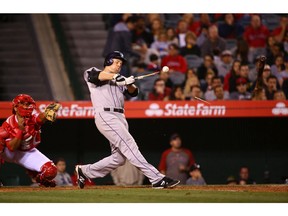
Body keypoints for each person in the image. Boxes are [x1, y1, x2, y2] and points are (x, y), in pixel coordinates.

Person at [76, 51, 180, 189]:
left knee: (118, 158)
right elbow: (95, 76)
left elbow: (133, 92)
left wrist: (129, 83)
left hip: (120, 117)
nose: (119, 65)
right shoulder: (94, 72)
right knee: (130, 145)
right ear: (108, 61)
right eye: (117, 61)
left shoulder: (120, 79)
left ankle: (85, 171)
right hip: (106, 115)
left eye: (121, 63)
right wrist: (117, 78)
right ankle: (156, 178)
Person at [0, 94, 61, 187]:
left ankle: (39, 178)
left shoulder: (32, 117)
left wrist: (47, 113)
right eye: (23, 104)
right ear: (16, 107)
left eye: (28, 104)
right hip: (9, 152)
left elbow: (40, 118)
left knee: (51, 171)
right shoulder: (9, 123)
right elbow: (12, 147)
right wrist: (20, 130)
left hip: (26, 152)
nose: (26, 106)